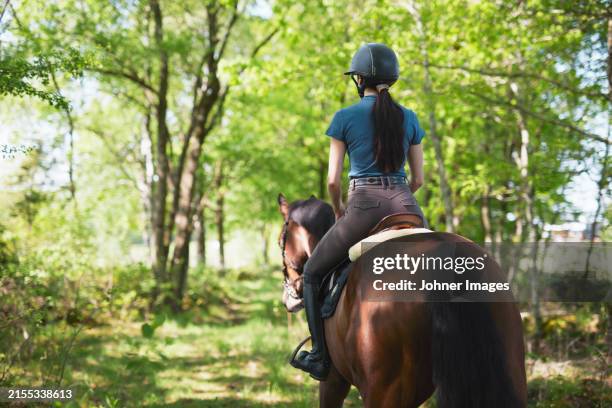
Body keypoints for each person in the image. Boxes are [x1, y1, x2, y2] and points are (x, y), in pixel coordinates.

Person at [290, 43, 428, 380]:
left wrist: (339, 211)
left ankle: (321, 357)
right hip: (409, 207)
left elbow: (333, 182)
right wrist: (399, 200)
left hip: (363, 206)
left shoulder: (345, 117)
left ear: (359, 79)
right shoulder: (409, 117)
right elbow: (420, 179)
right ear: (391, 79)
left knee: (311, 274)